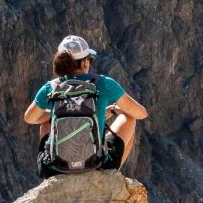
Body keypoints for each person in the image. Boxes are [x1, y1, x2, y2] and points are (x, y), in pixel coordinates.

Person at [23, 35, 148, 177]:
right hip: (94, 163)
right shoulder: (104, 83)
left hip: (54, 167)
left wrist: (56, 112)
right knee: (129, 118)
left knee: (45, 122)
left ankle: (57, 167)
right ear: (84, 63)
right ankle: (109, 176)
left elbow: (30, 118)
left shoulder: (50, 88)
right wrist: (113, 110)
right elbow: (141, 113)